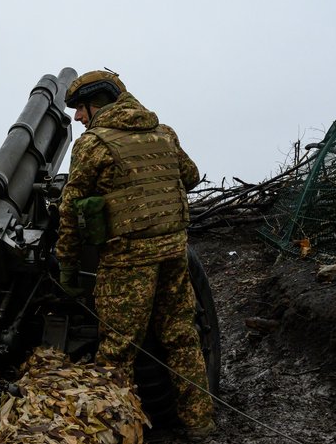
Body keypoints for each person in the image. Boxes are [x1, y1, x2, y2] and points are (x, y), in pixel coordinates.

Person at [54, 70, 215, 438]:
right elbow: (189, 175)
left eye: (81, 108)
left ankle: (118, 433)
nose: (78, 117)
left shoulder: (94, 144)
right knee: (182, 337)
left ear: (99, 104)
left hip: (127, 261)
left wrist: (67, 265)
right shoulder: (163, 132)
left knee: (116, 354)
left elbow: (70, 207)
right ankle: (200, 424)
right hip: (174, 252)